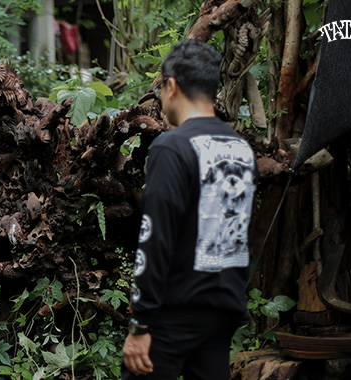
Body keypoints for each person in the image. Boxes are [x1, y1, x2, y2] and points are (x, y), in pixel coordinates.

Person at [122, 40, 258, 380]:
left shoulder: (173, 146)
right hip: (222, 312)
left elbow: (156, 240)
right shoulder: (240, 148)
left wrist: (140, 322)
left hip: (173, 314)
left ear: (171, 85)